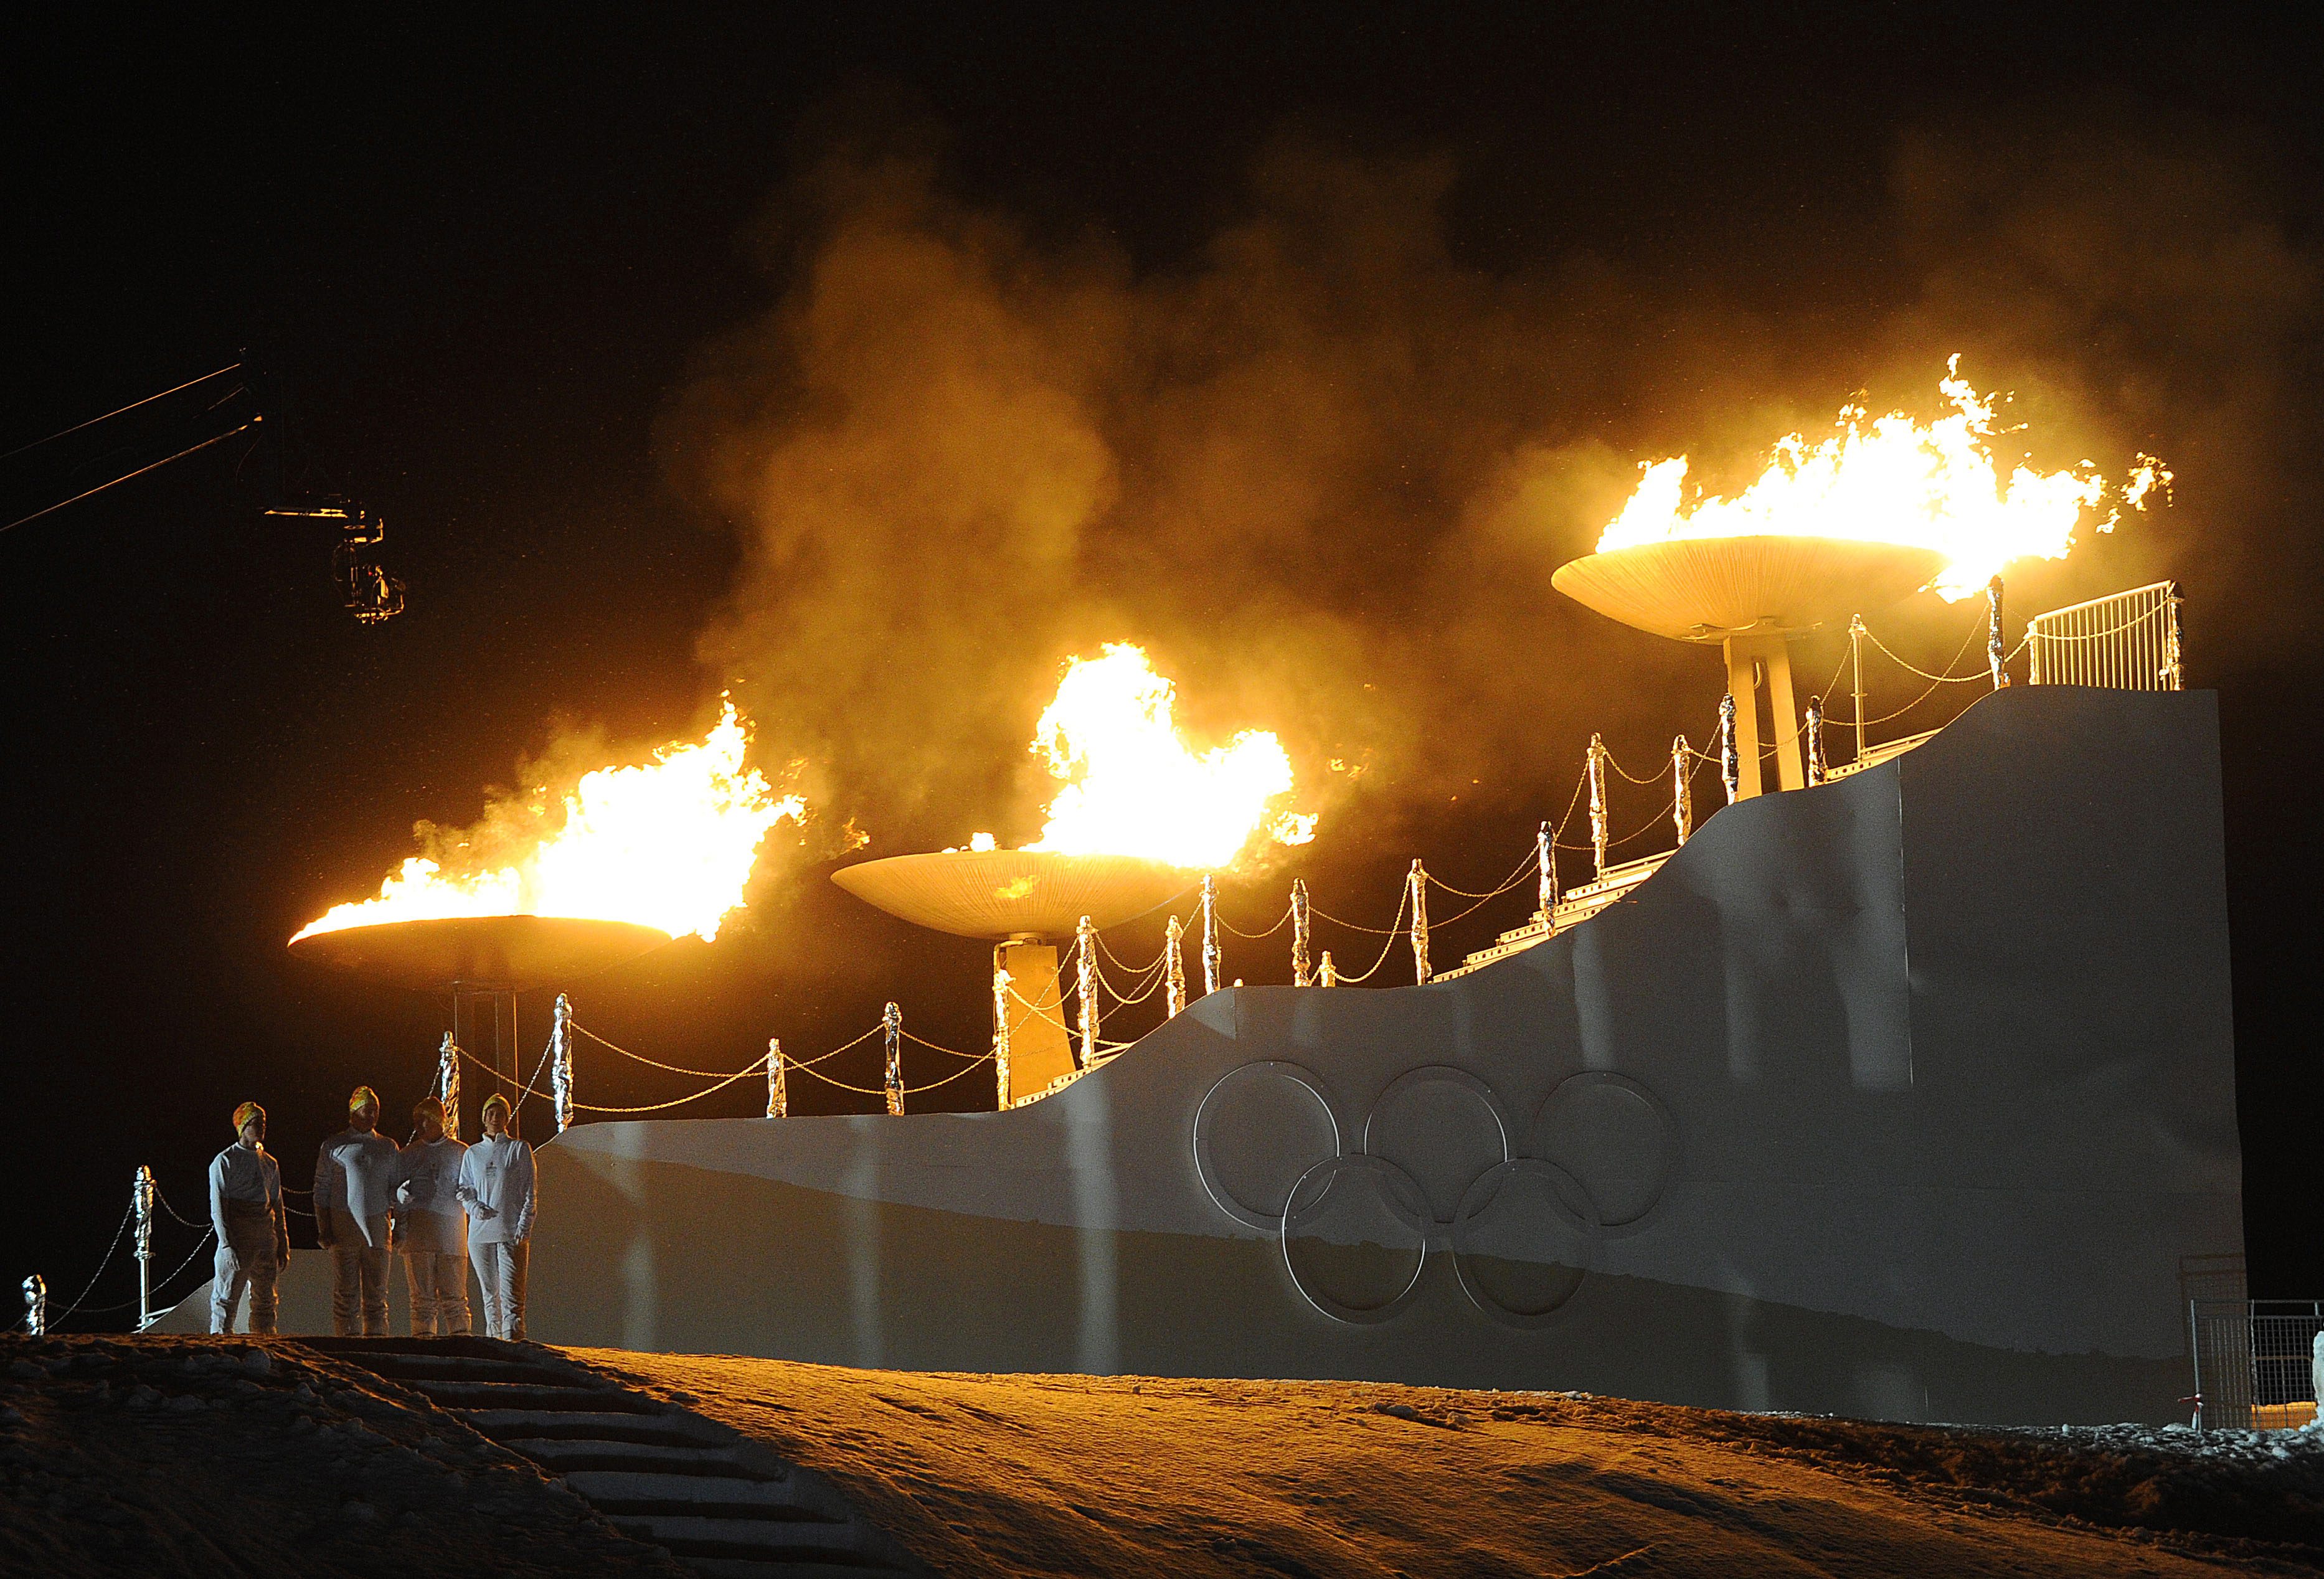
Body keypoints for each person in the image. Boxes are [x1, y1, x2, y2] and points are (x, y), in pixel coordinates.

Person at [315, 1085, 401, 1337]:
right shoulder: (335, 1145)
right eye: (367, 1110)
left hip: (378, 1228)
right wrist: (325, 1229)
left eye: (375, 1110)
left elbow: (395, 1188)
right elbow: (322, 1189)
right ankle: (347, 1344)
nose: (372, 1115)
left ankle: (377, 1341)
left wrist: (400, 1210)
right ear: (353, 1112)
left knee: (377, 1293)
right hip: (345, 1227)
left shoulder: (388, 1146)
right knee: (346, 1293)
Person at [458, 1093, 535, 1341]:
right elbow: (464, 1188)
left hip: (510, 1232)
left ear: (506, 1118)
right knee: (490, 1293)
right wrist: (474, 1206)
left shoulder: (519, 1148)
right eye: (490, 1114)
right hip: (480, 1234)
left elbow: (530, 1190)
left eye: (500, 1113)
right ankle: (494, 1341)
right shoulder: (473, 1153)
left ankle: (514, 1340)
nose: (495, 1118)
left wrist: (525, 1224)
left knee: (511, 1294)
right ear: (484, 1118)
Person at [208, 1101, 288, 1336]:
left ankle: (264, 1343)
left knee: (266, 1300)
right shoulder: (225, 1161)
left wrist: (282, 1241)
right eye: (255, 1123)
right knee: (226, 1297)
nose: (261, 1127)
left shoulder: (270, 1163)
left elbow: (277, 1205)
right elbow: (219, 1208)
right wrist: (227, 1244)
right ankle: (220, 1344)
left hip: (265, 1237)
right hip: (238, 1237)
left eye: (263, 1123)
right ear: (243, 1126)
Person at [394, 1097, 470, 1336]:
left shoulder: (461, 1152)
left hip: (452, 1234)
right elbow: (399, 1196)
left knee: (455, 1297)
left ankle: (462, 1345)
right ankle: (423, 1343)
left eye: (426, 1121)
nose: (420, 1126)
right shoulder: (408, 1155)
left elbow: (475, 1189)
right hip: (419, 1235)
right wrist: (400, 1229)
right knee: (422, 1299)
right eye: (417, 1122)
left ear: (439, 1121)